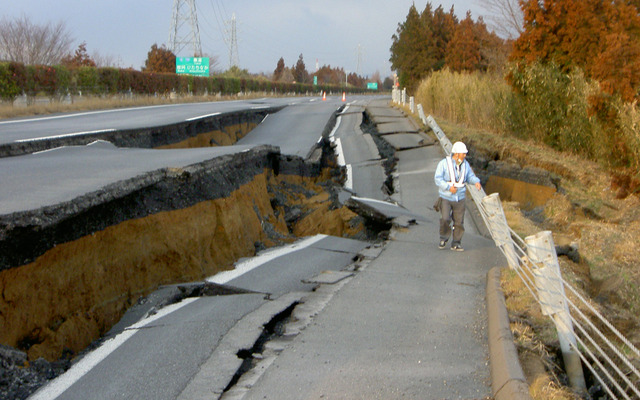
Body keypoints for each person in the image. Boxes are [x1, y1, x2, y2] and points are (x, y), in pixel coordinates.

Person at [434, 141, 482, 251]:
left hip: (460, 198)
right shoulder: (443, 164)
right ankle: (443, 238)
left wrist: (476, 182)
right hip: (446, 197)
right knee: (445, 219)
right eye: (463, 153)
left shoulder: (465, 165)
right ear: (456, 154)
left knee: (459, 222)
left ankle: (456, 243)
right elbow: (438, 178)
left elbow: (470, 177)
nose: (465, 155)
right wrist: (448, 187)